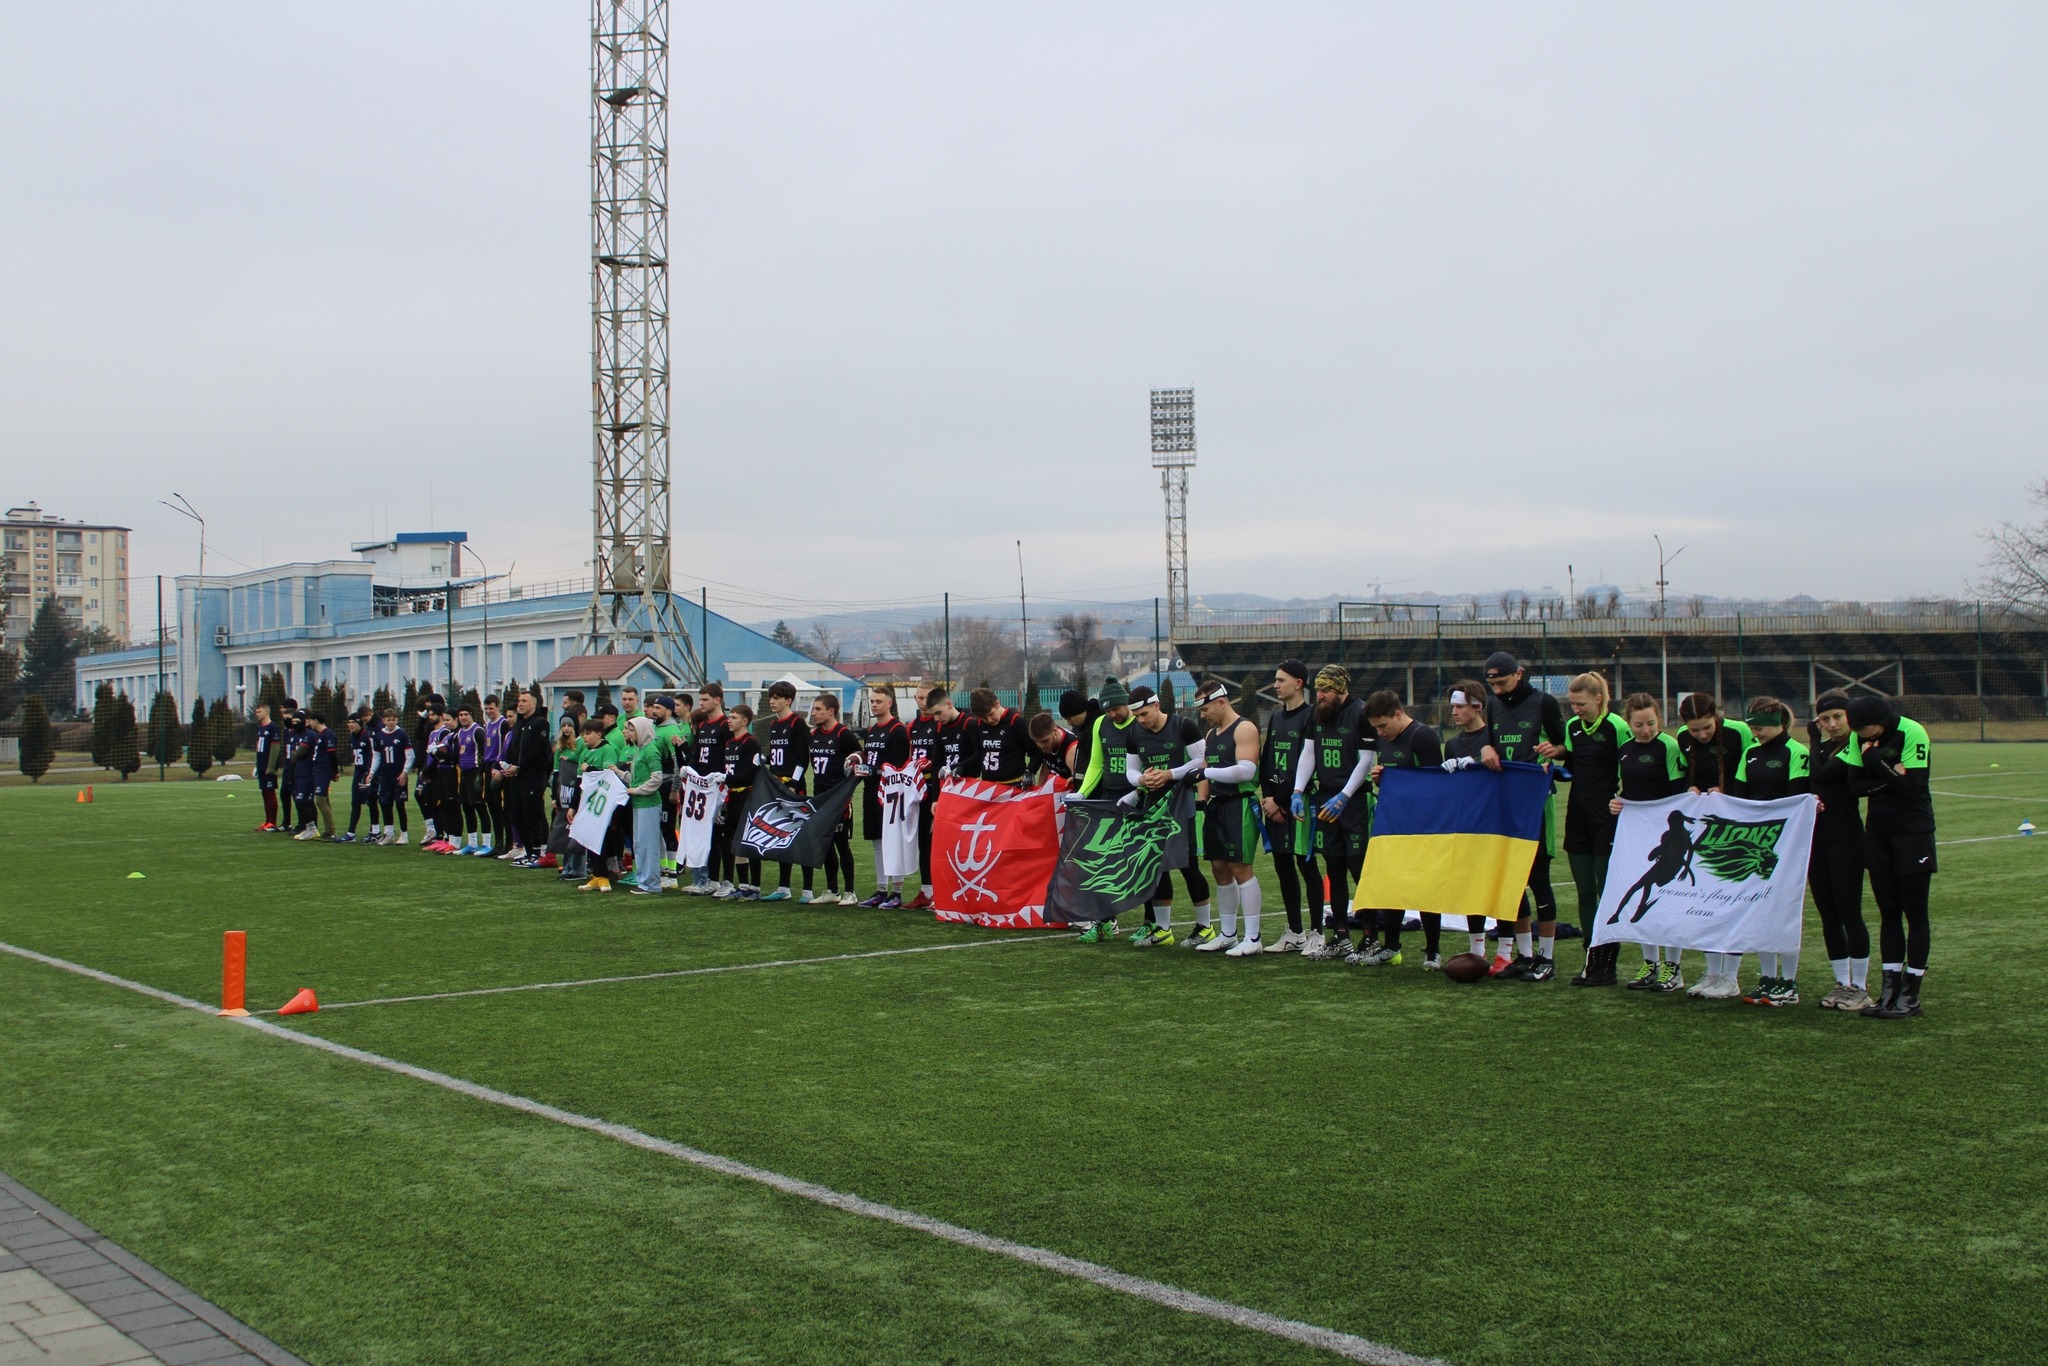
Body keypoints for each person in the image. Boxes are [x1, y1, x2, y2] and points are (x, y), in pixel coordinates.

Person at [1845, 696, 1935, 1019]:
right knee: (1888, 913)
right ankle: (1889, 993)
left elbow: (1912, 788)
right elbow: (1854, 789)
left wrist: (1875, 763)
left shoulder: (1912, 732)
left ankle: (1910, 997)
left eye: (1865, 729)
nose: (1861, 736)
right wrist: (1889, 776)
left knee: (1915, 913)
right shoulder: (1860, 739)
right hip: (1878, 833)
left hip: (1913, 833)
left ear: (1881, 719)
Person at [1482, 652, 1568, 981]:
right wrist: (1485, 749)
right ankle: (1525, 954)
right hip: (1504, 802)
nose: (1498, 690)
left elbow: (1564, 746)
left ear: (1519, 673)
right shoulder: (1492, 704)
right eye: (1492, 684)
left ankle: (1547, 957)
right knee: (1512, 880)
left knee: (1538, 878)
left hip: (1535, 802)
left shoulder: (1543, 702)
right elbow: (1489, 744)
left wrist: (1554, 751)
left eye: (1502, 682)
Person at [1549, 672, 1631, 986]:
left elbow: (1630, 766)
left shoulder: (1617, 727)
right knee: (1584, 891)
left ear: (1598, 699)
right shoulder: (1572, 728)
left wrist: (1626, 799)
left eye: (1580, 703)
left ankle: (1607, 961)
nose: (1575, 709)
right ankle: (1590, 959)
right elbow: (1572, 766)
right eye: (1571, 703)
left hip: (1607, 817)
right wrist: (1554, 760)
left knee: (1605, 891)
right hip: (1578, 815)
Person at [1730, 696, 1811, 1006]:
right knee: (1761, 910)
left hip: (1787, 846)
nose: (1756, 733)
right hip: (1756, 845)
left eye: (1761, 727)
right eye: (1753, 728)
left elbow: (1797, 799)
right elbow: (1739, 796)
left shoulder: (1796, 752)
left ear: (1779, 724)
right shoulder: (1749, 753)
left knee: (1786, 911)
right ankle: (1767, 978)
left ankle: (1788, 982)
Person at [1606, 693, 1690, 992]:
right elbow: (1625, 789)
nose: (1645, 730)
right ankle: (1649, 963)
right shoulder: (1625, 749)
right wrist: (1618, 803)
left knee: (1666, 900)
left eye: (1651, 723)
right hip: (1636, 835)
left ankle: (1673, 967)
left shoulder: (1669, 746)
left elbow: (1677, 793)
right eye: (1639, 724)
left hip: (1666, 836)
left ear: (1659, 719)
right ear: (1629, 723)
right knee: (1643, 896)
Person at [1290, 666, 1374, 961]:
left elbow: (1366, 760)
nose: (1320, 696)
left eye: (1326, 691)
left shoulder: (1361, 712)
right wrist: (1298, 791)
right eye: (1319, 691)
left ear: (1341, 690)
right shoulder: (1318, 713)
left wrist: (1345, 795)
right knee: (1334, 868)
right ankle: (1341, 935)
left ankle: (1370, 936)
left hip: (1352, 801)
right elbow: (1309, 753)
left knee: (1357, 867)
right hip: (1325, 799)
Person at [1358, 690, 1444, 967]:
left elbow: (1436, 784)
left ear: (1398, 713)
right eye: (1375, 728)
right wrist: (1381, 779)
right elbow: (1394, 780)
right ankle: (1391, 946)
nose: (1380, 733)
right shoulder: (1385, 739)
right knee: (1391, 883)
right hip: (1392, 822)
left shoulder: (1423, 736)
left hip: (1422, 825)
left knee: (1426, 886)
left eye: (1383, 725)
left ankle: (1433, 951)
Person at [1676, 693, 1754, 998]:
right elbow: (1684, 775)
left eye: (1706, 728)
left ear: (1716, 717)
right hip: (1703, 826)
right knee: (1704, 900)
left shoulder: (1739, 733)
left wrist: (1727, 791)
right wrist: (1691, 788)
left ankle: (1731, 977)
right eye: (1695, 730)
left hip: (1736, 826)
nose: (1701, 735)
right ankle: (1712, 971)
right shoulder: (1683, 737)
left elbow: (1752, 772)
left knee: (1731, 899)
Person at [1125, 684, 1213, 948]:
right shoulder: (1134, 733)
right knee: (1156, 866)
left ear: (1156, 706)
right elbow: (1130, 771)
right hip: (1152, 807)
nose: (1141, 720)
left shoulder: (1184, 725)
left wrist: (1169, 774)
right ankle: (1163, 930)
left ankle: (1205, 927)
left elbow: (1202, 761)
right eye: (1137, 716)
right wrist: (1141, 779)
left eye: (1144, 714)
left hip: (1180, 804)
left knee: (1188, 865)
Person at [1806, 690, 1872, 1010]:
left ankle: (1859, 985)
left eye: (1836, 717)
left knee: (1849, 913)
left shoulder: (1855, 745)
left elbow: (1821, 773)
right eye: (1824, 719)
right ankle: (1841, 983)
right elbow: (1813, 784)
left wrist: (1815, 742)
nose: (1831, 725)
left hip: (1847, 839)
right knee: (1828, 915)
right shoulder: (1823, 747)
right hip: (1818, 840)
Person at [1193, 680, 1265, 956]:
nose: (1203, 715)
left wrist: (1206, 775)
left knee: (1240, 868)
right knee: (1219, 869)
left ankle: (1253, 938)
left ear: (1221, 702)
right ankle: (1227, 934)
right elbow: (1205, 768)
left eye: (1206, 708)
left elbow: (1245, 771)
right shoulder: (1212, 734)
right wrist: (1202, 799)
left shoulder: (1244, 728)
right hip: (1216, 806)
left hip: (1239, 805)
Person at [1439, 681, 1504, 962]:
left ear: (1477, 706)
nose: (1453, 712)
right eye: (1453, 706)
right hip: (1468, 824)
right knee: (1470, 885)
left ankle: (1506, 951)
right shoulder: (1452, 743)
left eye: (1459, 706)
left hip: (1496, 821)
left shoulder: (1495, 736)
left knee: (1501, 884)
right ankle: (1477, 949)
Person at [1257, 659, 1318, 953]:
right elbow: (1266, 759)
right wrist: (1269, 799)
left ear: (1299, 683)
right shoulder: (1276, 718)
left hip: (1298, 803)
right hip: (1275, 804)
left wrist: (1280, 799)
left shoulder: (1311, 717)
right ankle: (1295, 932)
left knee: (1307, 866)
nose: (1276, 685)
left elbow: (1306, 766)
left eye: (1281, 680)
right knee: (1283, 866)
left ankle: (1316, 932)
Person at [905, 686, 962, 910]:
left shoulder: (946, 724)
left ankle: (945, 890)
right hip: (921, 789)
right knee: (923, 839)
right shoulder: (913, 726)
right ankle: (927, 890)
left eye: (926, 698)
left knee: (944, 840)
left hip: (946, 786)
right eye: (919, 698)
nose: (923, 703)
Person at [758, 682, 814, 903]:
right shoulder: (774, 724)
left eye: (777, 697)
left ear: (788, 700)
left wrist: (793, 782)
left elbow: (802, 757)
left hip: (792, 787)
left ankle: (808, 890)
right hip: (776, 785)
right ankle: (784, 887)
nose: (772, 701)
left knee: (801, 836)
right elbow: (778, 754)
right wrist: (765, 760)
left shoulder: (797, 723)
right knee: (780, 835)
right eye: (771, 697)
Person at [858, 686, 912, 907]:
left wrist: (876, 770)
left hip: (890, 795)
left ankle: (896, 893)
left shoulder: (898, 729)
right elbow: (870, 758)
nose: (874, 705)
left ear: (890, 703)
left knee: (893, 841)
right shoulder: (872, 730)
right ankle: (881, 889)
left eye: (878, 701)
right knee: (877, 842)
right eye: (872, 701)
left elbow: (900, 766)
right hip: (870, 791)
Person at [806, 693, 863, 905]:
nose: (814, 713)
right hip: (821, 798)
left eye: (818, 709)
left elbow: (860, 760)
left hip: (839, 800)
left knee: (841, 844)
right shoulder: (814, 735)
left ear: (831, 711)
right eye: (814, 709)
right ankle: (832, 889)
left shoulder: (844, 734)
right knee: (825, 844)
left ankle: (850, 891)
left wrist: (849, 788)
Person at [716, 705, 763, 899]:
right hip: (731, 796)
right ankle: (743, 885)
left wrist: (727, 778)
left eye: (734, 717)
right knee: (735, 840)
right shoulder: (729, 743)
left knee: (749, 840)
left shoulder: (750, 743)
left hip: (746, 795)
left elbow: (751, 773)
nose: (729, 720)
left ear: (744, 721)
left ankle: (756, 887)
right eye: (729, 716)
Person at [506, 688, 555, 869]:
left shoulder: (541, 723)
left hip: (532, 776)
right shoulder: (520, 723)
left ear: (534, 704)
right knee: (517, 814)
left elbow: (537, 751)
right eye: (519, 701)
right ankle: (528, 851)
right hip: (517, 775)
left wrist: (520, 766)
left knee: (531, 814)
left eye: (524, 701)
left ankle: (537, 852)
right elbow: (515, 749)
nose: (520, 704)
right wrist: (510, 765)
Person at [619, 716, 665, 895]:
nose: (629, 733)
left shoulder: (650, 751)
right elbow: (637, 779)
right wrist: (620, 774)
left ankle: (651, 884)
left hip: (649, 804)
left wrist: (636, 790)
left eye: (632, 730)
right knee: (639, 843)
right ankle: (643, 880)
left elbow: (656, 779)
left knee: (648, 844)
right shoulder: (639, 750)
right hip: (639, 804)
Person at [963, 688, 1038, 785]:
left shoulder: (1016, 722)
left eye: (991, 714)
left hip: (1014, 786)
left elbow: (1036, 751)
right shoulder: (979, 724)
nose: (989, 720)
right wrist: (959, 767)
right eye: (984, 718)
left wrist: (1029, 771)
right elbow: (978, 754)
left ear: (997, 703)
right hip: (989, 787)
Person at [366, 707, 412, 845]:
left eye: (393, 720)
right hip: (385, 777)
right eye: (388, 720)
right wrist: (372, 773)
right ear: (383, 721)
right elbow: (377, 757)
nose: (391, 722)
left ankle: (404, 834)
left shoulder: (402, 734)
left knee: (399, 804)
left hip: (399, 777)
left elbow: (410, 755)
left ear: (397, 720)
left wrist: (405, 772)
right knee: (385, 803)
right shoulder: (379, 736)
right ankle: (389, 834)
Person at [480, 694, 512, 857]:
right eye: (486, 709)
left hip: (498, 767)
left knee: (503, 807)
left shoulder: (503, 724)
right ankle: (498, 842)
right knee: (492, 805)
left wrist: (498, 767)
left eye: (491, 708)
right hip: (488, 766)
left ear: (498, 707)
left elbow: (504, 748)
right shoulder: (488, 725)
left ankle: (508, 843)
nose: (488, 711)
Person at [338, 713, 375, 843]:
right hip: (357, 774)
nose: (351, 725)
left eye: (353, 722)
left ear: (360, 723)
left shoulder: (367, 736)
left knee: (371, 803)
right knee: (355, 803)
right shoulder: (352, 738)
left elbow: (373, 755)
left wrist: (370, 773)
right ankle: (351, 833)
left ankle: (374, 831)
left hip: (367, 774)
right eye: (349, 722)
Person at [303, 712, 338, 841]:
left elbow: (332, 754)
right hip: (317, 771)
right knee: (324, 800)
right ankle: (328, 830)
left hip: (324, 771)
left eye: (311, 721)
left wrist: (335, 771)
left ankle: (331, 831)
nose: (309, 724)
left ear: (316, 720)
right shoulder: (320, 735)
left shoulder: (328, 734)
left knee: (320, 801)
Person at [253, 703, 282, 831]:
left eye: (259, 712)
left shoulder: (272, 727)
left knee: (270, 793)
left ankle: (273, 822)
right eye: (256, 712)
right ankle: (267, 821)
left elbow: (275, 748)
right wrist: (256, 765)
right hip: (261, 766)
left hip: (268, 767)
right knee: (264, 793)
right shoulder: (261, 728)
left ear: (266, 712)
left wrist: (270, 767)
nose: (257, 714)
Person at [1026, 711, 1078, 782]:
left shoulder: (1071, 748)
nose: (1041, 745)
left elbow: (1078, 782)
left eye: (1045, 741)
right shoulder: (1046, 743)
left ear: (1055, 731)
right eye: (1037, 741)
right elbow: (1048, 764)